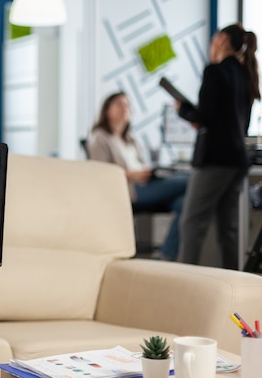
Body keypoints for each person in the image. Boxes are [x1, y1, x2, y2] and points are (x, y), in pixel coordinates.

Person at [176, 23, 260, 270]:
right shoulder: (246, 74)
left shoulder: (215, 71)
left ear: (223, 40)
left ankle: (181, 281)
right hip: (237, 160)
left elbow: (204, 116)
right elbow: (238, 123)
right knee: (229, 229)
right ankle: (233, 283)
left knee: (192, 222)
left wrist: (183, 110)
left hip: (215, 159)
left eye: (214, 39)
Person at [87, 92, 188, 261]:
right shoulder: (100, 138)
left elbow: (142, 164)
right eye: (119, 104)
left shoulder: (130, 139)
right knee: (191, 180)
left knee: (186, 202)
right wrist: (132, 175)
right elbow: (101, 174)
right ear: (106, 111)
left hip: (146, 184)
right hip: (129, 189)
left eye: (127, 105)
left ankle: (166, 255)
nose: (125, 108)